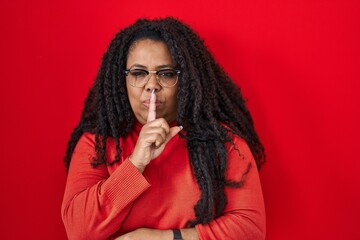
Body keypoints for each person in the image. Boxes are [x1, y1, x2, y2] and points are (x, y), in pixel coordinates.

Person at [61, 17, 266, 240]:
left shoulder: (223, 141)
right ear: (122, 80)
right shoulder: (96, 143)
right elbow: (78, 232)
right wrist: (136, 163)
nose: (151, 85)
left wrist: (166, 238)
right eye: (138, 73)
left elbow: (250, 229)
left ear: (186, 80)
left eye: (166, 73)